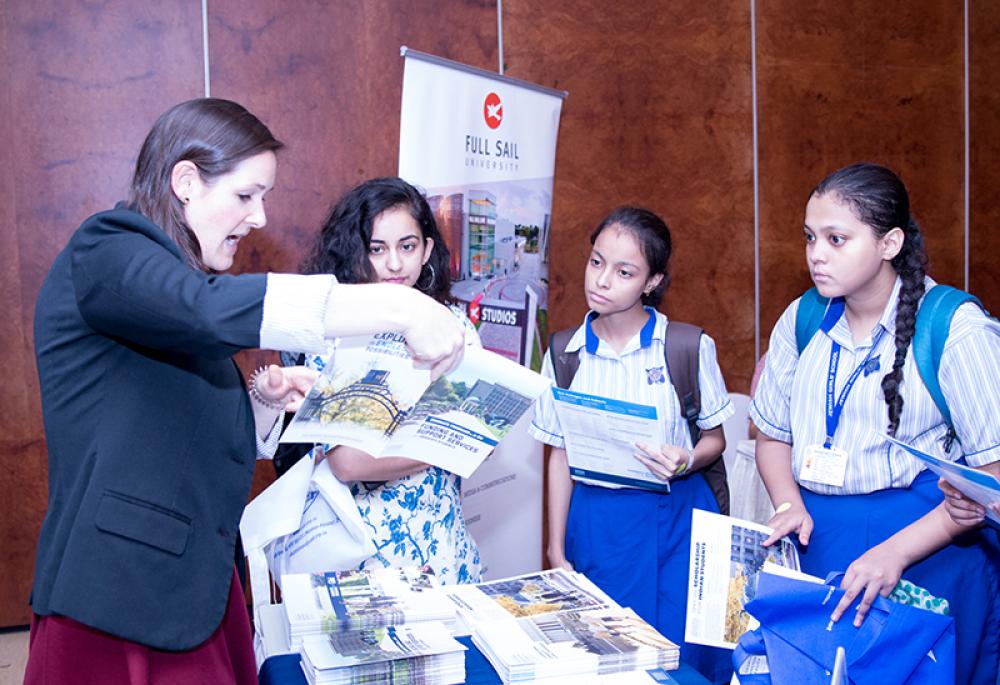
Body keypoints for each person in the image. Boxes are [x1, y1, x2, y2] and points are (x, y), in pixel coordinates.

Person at [26, 99, 465, 684]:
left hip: (192, 579)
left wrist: (265, 403)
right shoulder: (108, 246)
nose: (258, 217)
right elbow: (206, 313)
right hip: (120, 589)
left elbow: (171, 422)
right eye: (245, 195)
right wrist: (397, 306)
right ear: (185, 182)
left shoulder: (171, 284)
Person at [750, 162, 1000, 685]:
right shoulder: (801, 320)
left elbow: (991, 478)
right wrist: (788, 501)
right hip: (819, 544)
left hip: (926, 552)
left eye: (837, 239)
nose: (817, 254)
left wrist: (895, 553)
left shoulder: (955, 327)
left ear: (889, 243)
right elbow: (771, 433)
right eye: (810, 237)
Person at [528, 207, 734, 683]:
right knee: (605, 654)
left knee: (683, 654)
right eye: (596, 262)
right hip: (599, 522)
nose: (602, 280)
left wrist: (687, 458)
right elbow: (559, 455)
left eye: (624, 272)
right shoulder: (564, 354)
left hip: (679, 521)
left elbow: (715, 439)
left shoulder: (685, 347)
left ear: (651, 281)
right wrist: (555, 550)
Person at [298, 176, 482, 585]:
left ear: (427, 251)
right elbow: (348, 463)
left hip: (445, 556)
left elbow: (479, 445)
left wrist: (456, 442)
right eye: (377, 249)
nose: (395, 264)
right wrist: (450, 443)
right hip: (359, 560)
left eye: (407, 246)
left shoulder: (456, 330)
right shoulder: (335, 334)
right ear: (355, 252)